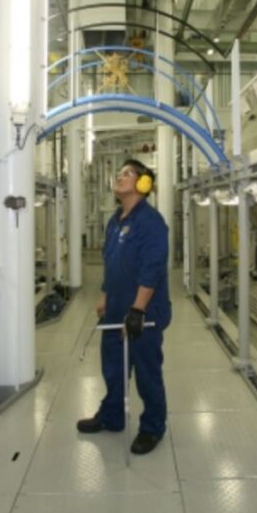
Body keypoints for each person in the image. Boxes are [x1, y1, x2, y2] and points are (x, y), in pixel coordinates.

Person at [76, 159, 171, 455]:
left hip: (144, 312)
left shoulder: (151, 222)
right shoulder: (115, 219)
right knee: (113, 368)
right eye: (119, 173)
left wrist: (138, 309)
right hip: (116, 308)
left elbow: (153, 268)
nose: (119, 177)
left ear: (144, 184)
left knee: (146, 372)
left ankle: (153, 427)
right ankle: (113, 416)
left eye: (128, 174)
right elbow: (111, 263)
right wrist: (106, 296)